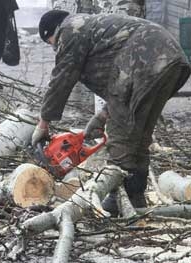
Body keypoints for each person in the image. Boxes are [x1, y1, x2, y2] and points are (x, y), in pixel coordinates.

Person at [31, 10, 191, 213]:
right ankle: (134, 198)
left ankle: (117, 199)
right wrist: (102, 115)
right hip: (169, 61)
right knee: (139, 136)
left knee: (119, 138)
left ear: (52, 32)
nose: (55, 48)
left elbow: (61, 78)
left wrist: (43, 123)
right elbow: (119, 80)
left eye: (52, 43)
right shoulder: (94, 27)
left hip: (144, 64)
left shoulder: (71, 29)